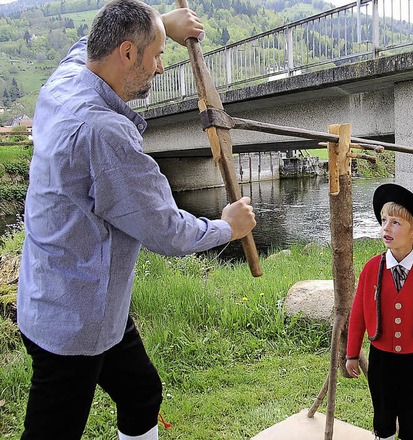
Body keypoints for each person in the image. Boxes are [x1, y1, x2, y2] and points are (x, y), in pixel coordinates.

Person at [16, 1, 256, 439]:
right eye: (157, 55)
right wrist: (229, 226)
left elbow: (80, 48)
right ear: (126, 52)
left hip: (77, 297)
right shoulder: (104, 132)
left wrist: (164, 25)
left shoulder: (66, 80)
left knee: (141, 392)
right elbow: (166, 230)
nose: (162, 68)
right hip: (74, 322)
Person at [345, 183, 413, 440]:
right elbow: (358, 314)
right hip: (381, 356)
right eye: (384, 220)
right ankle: (383, 435)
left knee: (410, 410)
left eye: (395, 223)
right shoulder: (372, 268)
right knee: (382, 409)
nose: (386, 228)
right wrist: (351, 354)